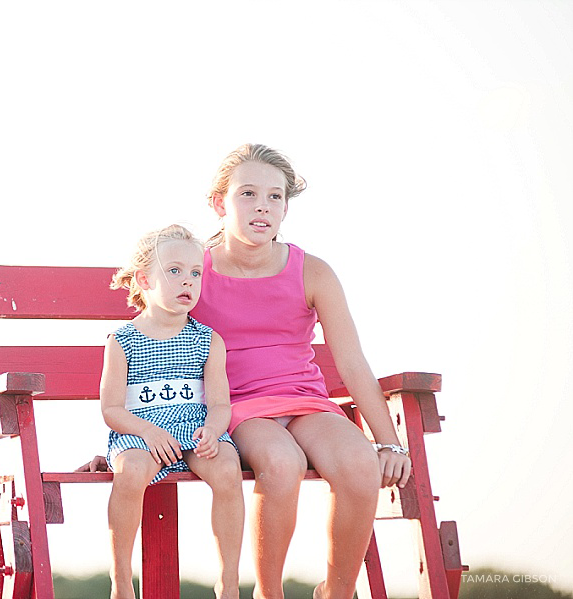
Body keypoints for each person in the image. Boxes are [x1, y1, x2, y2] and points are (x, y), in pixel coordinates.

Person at [83, 145, 412, 599]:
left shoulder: (312, 272)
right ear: (220, 204)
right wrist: (131, 437)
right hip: (235, 407)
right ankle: (268, 592)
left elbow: (353, 362)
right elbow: (147, 332)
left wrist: (389, 440)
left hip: (305, 400)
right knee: (281, 463)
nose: (263, 206)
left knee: (359, 463)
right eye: (248, 193)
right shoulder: (196, 270)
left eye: (276, 197)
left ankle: (337, 591)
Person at [100, 224, 245, 599]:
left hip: (195, 430)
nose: (189, 281)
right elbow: (112, 409)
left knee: (228, 470)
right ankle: (121, 582)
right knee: (130, 471)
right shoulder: (122, 341)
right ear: (145, 281)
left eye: (196, 273)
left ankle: (229, 581)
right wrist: (147, 432)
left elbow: (220, 404)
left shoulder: (207, 340)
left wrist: (213, 429)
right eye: (175, 271)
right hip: (142, 433)